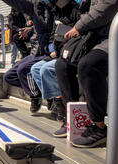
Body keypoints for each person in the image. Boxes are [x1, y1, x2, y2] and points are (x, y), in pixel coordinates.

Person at [54, 0, 118, 148]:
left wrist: (79, 26)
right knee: (62, 64)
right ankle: (72, 119)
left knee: (88, 65)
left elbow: (106, 8)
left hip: (114, 35)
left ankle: (99, 126)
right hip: (93, 37)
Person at [30, 0, 87, 137]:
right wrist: (52, 47)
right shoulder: (56, 11)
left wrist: (65, 41)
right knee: (35, 69)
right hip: (59, 50)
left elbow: (81, 31)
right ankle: (57, 104)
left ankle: (63, 112)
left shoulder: (75, 9)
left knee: (47, 69)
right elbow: (52, 34)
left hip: (73, 50)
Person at [2, 0, 54, 113]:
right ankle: (39, 91)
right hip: (34, 52)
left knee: (23, 69)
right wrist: (29, 30)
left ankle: (35, 96)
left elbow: (47, 27)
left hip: (45, 52)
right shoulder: (35, 11)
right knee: (8, 76)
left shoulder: (49, 9)